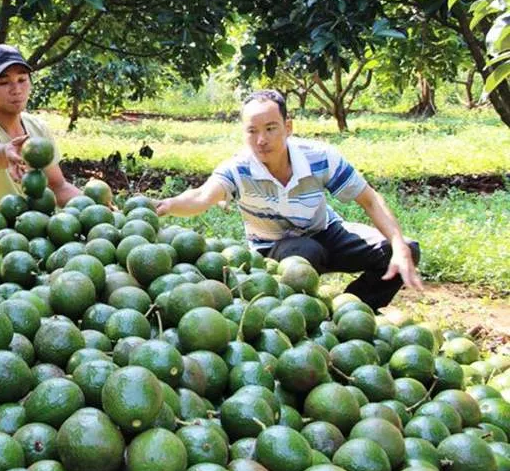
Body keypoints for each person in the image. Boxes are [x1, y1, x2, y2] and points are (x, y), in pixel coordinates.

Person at [156, 89, 423, 311]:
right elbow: (202, 196)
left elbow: (370, 200)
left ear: (288, 127)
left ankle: (352, 312)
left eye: (271, 128)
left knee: (405, 249)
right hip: (274, 247)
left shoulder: (319, 157)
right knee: (306, 252)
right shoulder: (238, 169)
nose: (261, 140)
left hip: (327, 231)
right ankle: (300, 314)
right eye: (252, 131)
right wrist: (166, 206)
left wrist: (398, 245)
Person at [0, 44, 82, 219]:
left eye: (22, 80)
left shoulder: (37, 128)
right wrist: (4, 153)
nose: (16, 89)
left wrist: (98, 209)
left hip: (26, 237)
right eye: (3, 82)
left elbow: (57, 186)